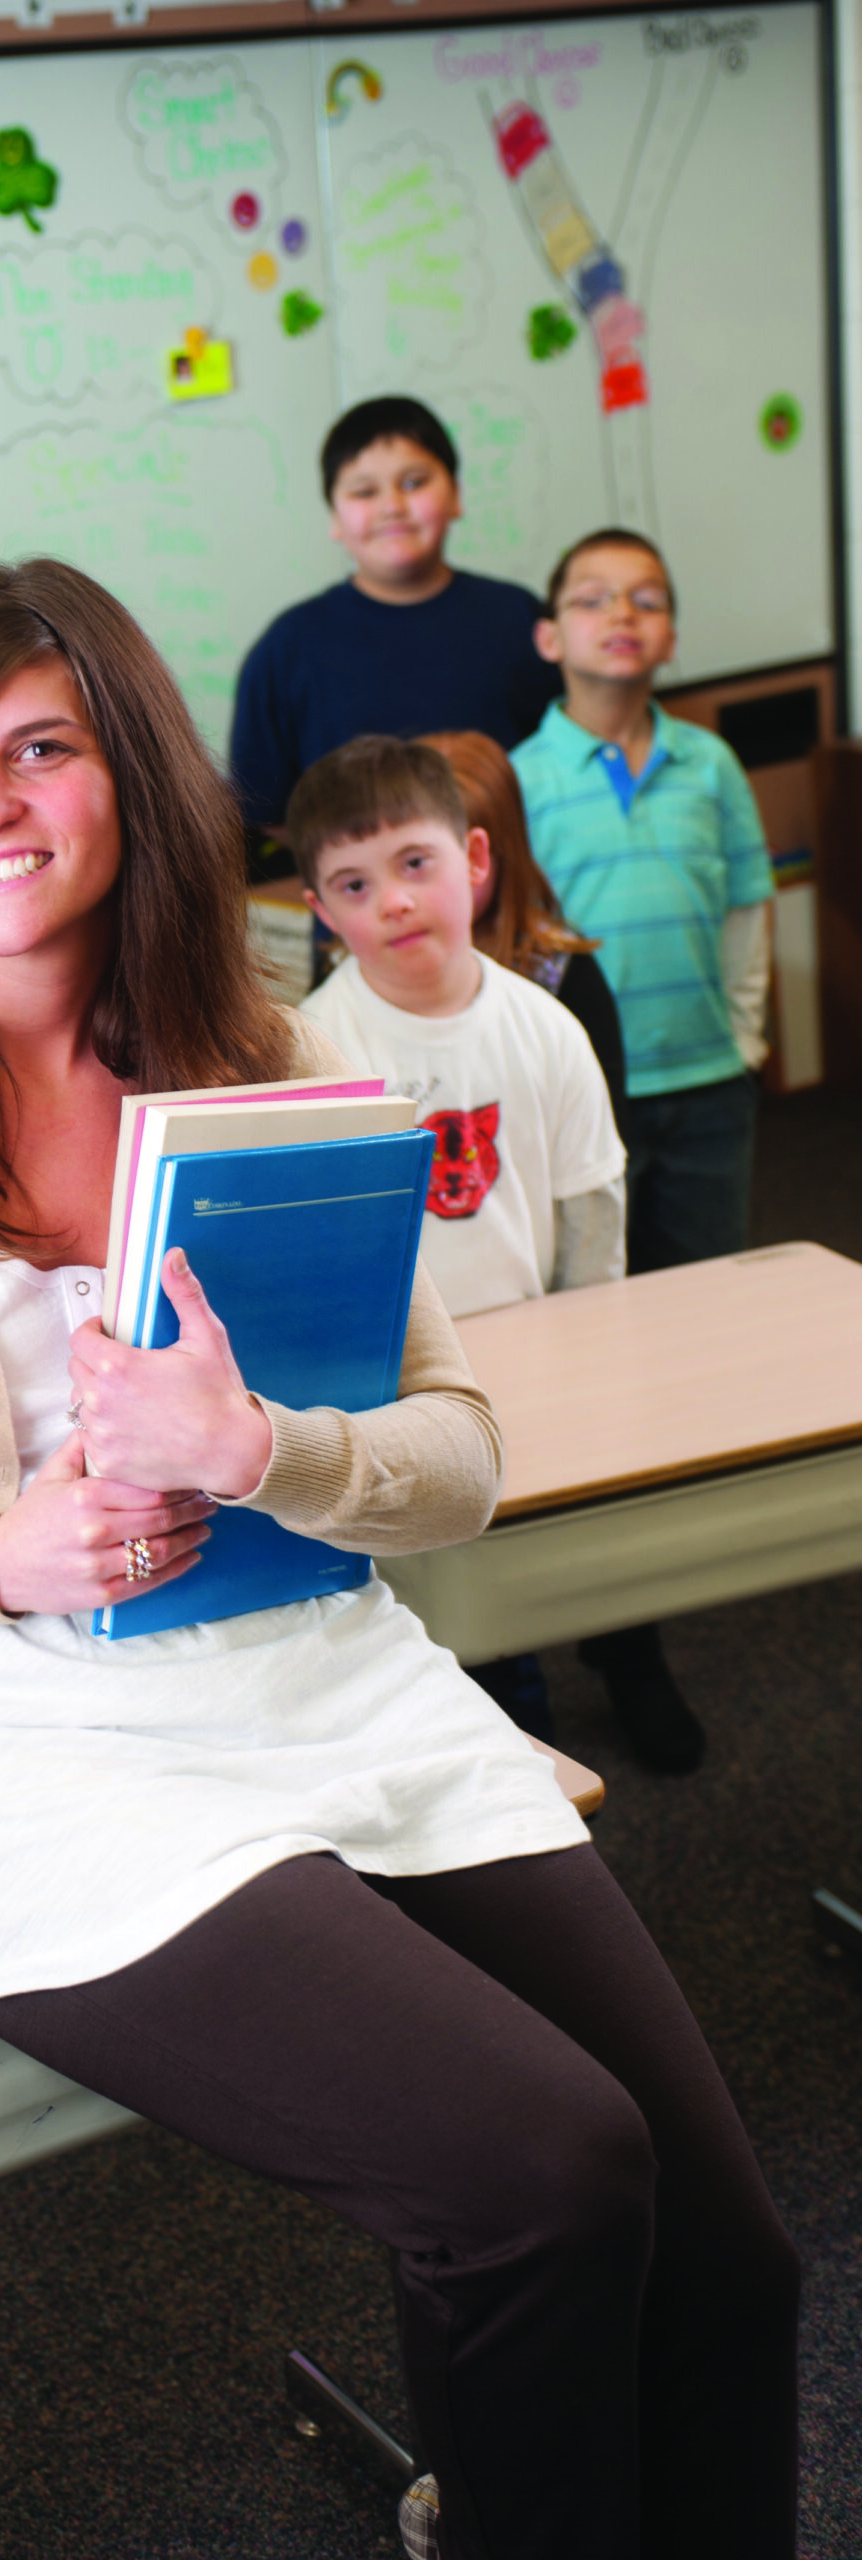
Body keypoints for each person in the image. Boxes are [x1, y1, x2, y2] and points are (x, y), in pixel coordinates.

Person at [0, 559, 796, 2560]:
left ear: (131, 776)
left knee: (729, 2253)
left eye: (39, 746)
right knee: (543, 2169)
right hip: (9, 1735)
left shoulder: (248, 1051)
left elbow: (455, 1454)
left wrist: (263, 1447)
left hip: (313, 1676)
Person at [294, 736, 625, 1749]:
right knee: (451, 1614)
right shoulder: (313, 1053)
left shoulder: (543, 1027)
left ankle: (622, 1660)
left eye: (413, 863)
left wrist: (593, 1347)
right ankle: (497, 1704)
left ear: (473, 862)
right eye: (353, 883)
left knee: (575, 1545)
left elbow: (592, 1215)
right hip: (402, 1387)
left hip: (541, 1347)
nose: (391, 901)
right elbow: (325, 1260)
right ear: (319, 911)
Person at [513, 529, 775, 1771]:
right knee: (596, 1356)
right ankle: (617, 1636)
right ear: (548, 636)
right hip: (591, 1116)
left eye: (647, 599)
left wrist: (743, 1034)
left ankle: (661, 1593)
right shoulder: (519, 776)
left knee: (692, 1345)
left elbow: (741, 904)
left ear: (669, 632)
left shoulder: (708, 761)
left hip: (704, 1088)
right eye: (591, 598)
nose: (622, 614)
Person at [228, 396, 560, 858]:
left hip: (515, 899)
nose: (392, 506)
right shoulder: (287, 648)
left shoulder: (520, 617)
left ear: (457, 495)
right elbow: (266, 807)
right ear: (334, 519)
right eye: (364, 492)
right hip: (361, 917)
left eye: (414, 482)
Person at [421, 727, 627, 1129]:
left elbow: (604, 1126)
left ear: (497, 851)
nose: (446, 883)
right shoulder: (361, 966)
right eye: (419, 861)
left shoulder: (562, 969)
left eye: (464, 855)